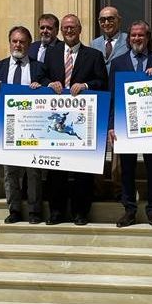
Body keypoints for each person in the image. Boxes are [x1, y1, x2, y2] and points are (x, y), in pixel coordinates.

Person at [44, 13, 108, 225]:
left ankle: (81, 212)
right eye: (65, 28)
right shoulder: (51, 54)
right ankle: (56, 212)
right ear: (61, 31)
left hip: (82, 123)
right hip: (56, 124)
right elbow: (40, 77)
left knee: (82, 169)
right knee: (56, 170)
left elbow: (102, 81)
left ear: (80, 30)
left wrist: (86, 86)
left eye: (73, 27)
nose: (69, 31)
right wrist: (49, 83)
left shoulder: (94, 55)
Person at [108, 21, 152, 227]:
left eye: (141, 35)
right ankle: (129, 210)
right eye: (133, 35)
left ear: (148, 37)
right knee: (127, 169)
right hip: (125, 125)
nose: (137, 38)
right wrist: (110, 125)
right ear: (129, 38)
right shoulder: (118, 63)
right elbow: (112, 96)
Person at [0, 26, 48, 225]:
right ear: (9, 43)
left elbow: (49, 94)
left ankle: (34, 211)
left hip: (32, 127)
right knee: (10, 172)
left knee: (33, 172)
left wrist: (41, 88)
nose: (18, 45)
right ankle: (14, 209)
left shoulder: (39, 67)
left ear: (29, 44)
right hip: (7, 126)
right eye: (15, 41)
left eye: (22, 41)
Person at [90, 6, 128, 75]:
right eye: (102, 20)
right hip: (101, 84)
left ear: (119, 20)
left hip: (120, 82)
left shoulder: (128, 40)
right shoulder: (94, 44)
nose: (106, 23)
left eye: (110, 19)